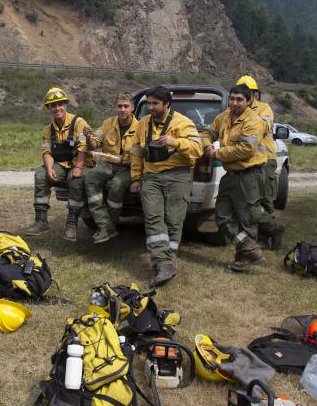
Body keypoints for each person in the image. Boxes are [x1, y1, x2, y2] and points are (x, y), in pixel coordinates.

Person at [129, 86, 203, 286]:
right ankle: (163, 263)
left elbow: (197, 149)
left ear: (167, 105)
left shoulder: (183, 123)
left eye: (155, 103)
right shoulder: (142, 124)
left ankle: (165, 263)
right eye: (149, 103)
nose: (151, 107)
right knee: (153, 218)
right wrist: (136, 178)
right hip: (151, 177)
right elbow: (136, 152)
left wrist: (176, 142)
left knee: (173, 221)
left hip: (178, 176)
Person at [201, 84, 268, 272]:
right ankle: (250, 249)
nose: (234, 103)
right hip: (230, 175)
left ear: (249, 101)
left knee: (247, 218)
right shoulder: (223, 117)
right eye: (232, 98)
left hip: (250, 176)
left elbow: (247, 149)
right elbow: (207, 133)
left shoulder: (254, 121)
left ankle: (242, 259)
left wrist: (216, 154)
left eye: (239, 99)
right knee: (221, 216)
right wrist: (207, 146)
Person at [24, 87, 90, 242]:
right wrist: (48, 169)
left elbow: (83, 148)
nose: (57, 108)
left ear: (65, 105)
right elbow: (47, 152)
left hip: (79, 163)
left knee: (76, 180)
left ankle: (71, 224)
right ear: (49, 108)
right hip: (61, 164)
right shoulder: (48, 130)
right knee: (40, 174)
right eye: (53, 105)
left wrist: (78, 168)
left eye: (60, 104)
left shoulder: (78, 122)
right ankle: (41, 221)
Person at [82, 92, 138, 243]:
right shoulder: (108, 124)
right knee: (90, 178)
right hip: (108, 165)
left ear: (132, 107)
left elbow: (141, 157)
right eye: (119, 106)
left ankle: (109, 226)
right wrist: (87, 137)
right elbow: (94, 143)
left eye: (126, 106)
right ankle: (105, 225)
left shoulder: (140, 128)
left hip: (128, 168)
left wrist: (129, 167)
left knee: (116, 185)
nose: (122, 109)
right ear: (115, 107)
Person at [236, 75, 284, 250]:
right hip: (246, 161)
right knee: (249, 202)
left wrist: (244, 119)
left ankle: (266, 237)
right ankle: (267, 232)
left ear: (254, 94)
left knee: (265, 200)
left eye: (250, 93)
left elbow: (262, 126)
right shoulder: (233, 110)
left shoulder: (264, 109)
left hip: (265, 161)